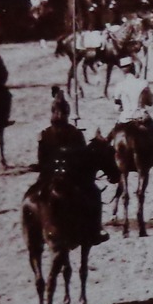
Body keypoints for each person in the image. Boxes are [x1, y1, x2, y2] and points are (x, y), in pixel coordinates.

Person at [36, 91, 108, 246]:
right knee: (94, 193)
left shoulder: (44, 134)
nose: (60, 115)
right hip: (69, 177)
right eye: (60, 112)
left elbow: (41, 159)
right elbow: (83, 158)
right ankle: (95, 230)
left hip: (49, 176)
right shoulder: (75, 133)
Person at [111, 55, 153, 171]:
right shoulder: (143, 83)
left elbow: (116, 107)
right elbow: (150, 102)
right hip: (140, 116)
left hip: (125, 118)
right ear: (133, 68)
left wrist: (123, 108)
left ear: (122, 70)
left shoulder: (119, 86)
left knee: (112, 137)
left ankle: (113, 161)